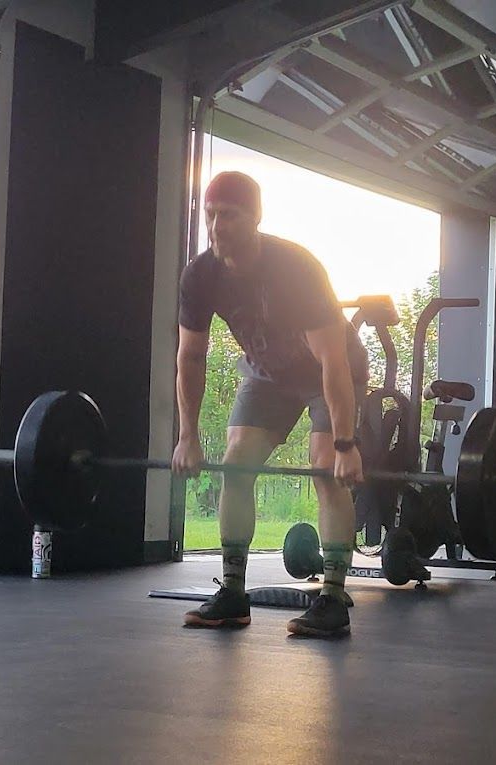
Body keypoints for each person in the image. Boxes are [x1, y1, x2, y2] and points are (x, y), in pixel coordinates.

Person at [174, 171, 368, 637]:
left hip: (327, 371)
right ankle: (233, 594)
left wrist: (345, 444)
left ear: (256, 218)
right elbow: (191, 356)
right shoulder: (200, 275)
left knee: (325, 466)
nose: (217, 226)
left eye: (229, 216)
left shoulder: (296, 268)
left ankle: (333, 598)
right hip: (268, 374)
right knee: (236, 462)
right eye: (211, 215)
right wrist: (187, 436)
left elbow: (333, 361)